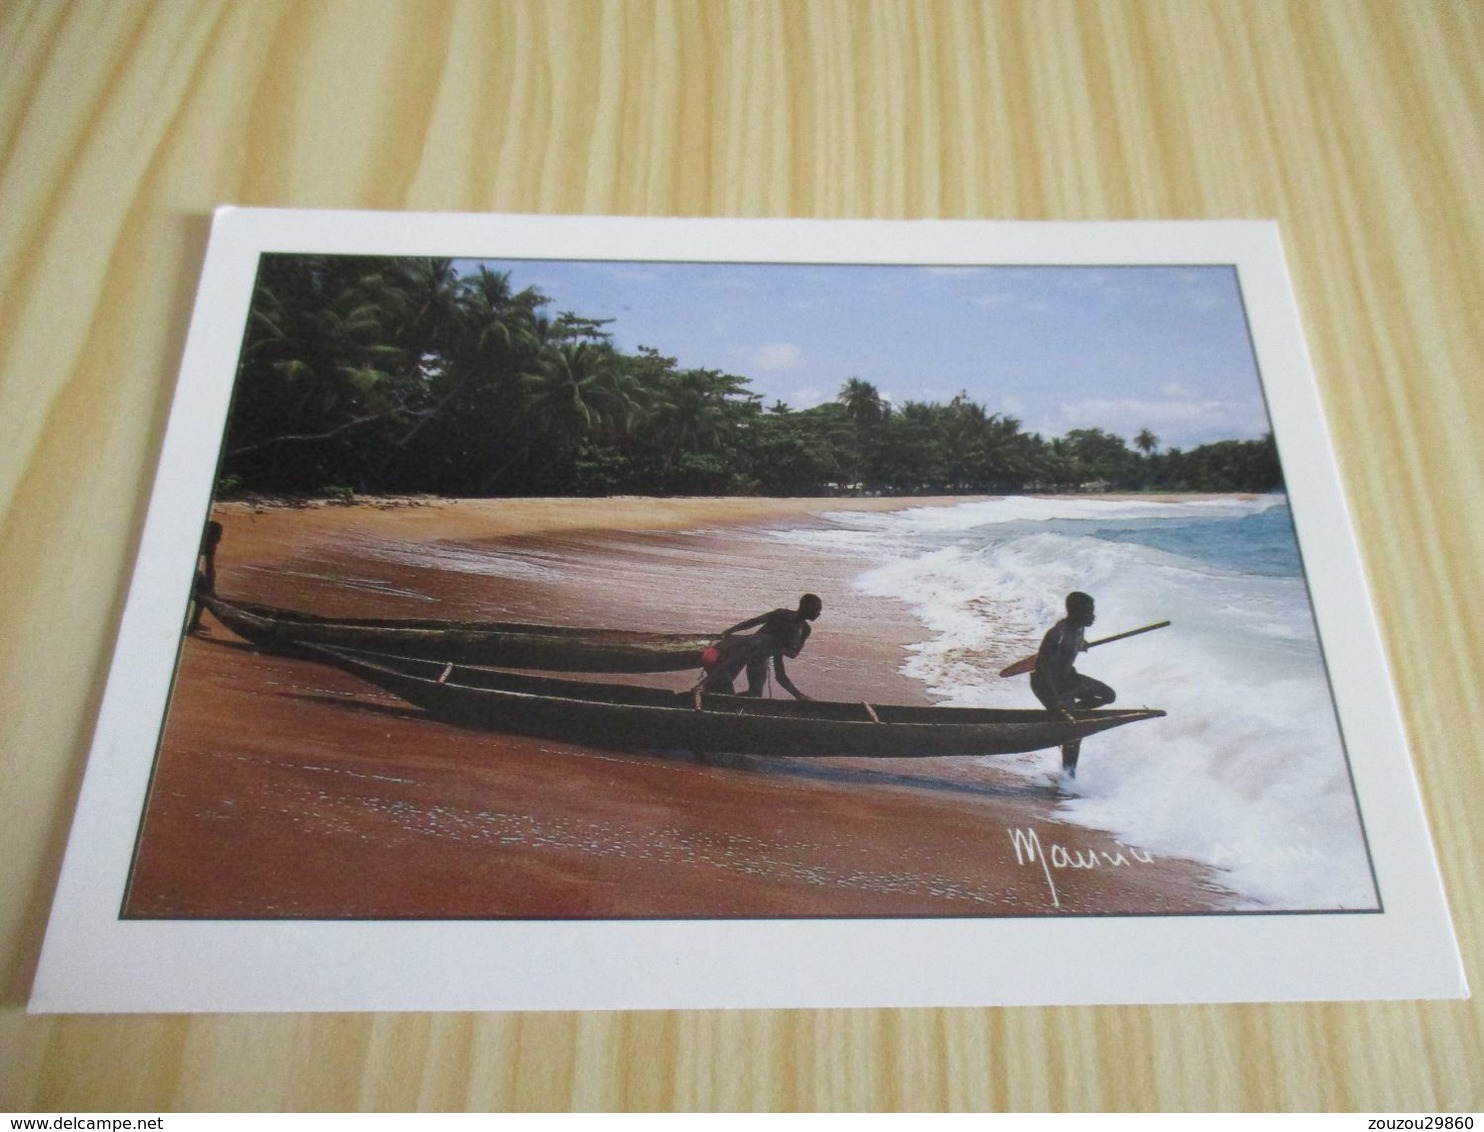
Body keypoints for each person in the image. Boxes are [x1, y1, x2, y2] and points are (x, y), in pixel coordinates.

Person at [1030, 590, 1115, 779]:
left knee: (1108, 696)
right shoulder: (1058, 635)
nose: (1093, 616)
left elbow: (1074, 643)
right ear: (1077, 613)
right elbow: (1044, 670)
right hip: (1047, 683)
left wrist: (1081, 644)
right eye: (1089, 612)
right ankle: (1067, 780)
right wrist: (1056, 703)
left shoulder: (1078, 628)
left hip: (1068, 679)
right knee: (1073, 733)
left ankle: (1073, 711)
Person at [698, 594, 822, 699]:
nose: (819, 613)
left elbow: (790, 658)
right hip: (731, 652)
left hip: (757, 656)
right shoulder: (779, 618)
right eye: (817, 610)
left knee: (754, 695)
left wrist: (799, 695)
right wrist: (730, 631)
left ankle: (719, 699)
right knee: (722, 685)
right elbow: (754, 623)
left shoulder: (804, 630)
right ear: (806, 607)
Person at [186, 519, 224, 633]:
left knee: (204, 589)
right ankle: (193, 623)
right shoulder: (197, 541)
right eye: (217, 536)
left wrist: (211, 589)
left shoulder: (210, 545)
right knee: (203, 590)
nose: (220, 539)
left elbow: (210, 569)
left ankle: (194, 623)